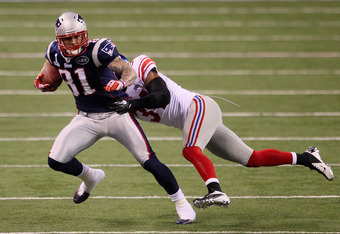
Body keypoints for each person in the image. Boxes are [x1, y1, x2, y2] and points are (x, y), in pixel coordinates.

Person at [107, 54, 335, 209]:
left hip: (198, 107)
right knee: (250, 158)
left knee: (190, 150)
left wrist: (132, 105)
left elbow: (163, 96)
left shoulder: (139, 65)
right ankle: (307, 157)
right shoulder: (113, 95)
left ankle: (215, 190)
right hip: (195, 120)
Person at [33, 12, 196, 224]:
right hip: (87, 117)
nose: (73, 42)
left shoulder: (99, 48)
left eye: (77, 36)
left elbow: (129, 72)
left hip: (117, 112)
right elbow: (49, 75)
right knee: (55, 160)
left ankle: (182, 204)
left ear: (85, 34)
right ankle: (90, 176)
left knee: (149, 161)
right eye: (67, 39)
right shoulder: (53, 52)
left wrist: (121, 83)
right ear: (58, 40)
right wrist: (43, 82)